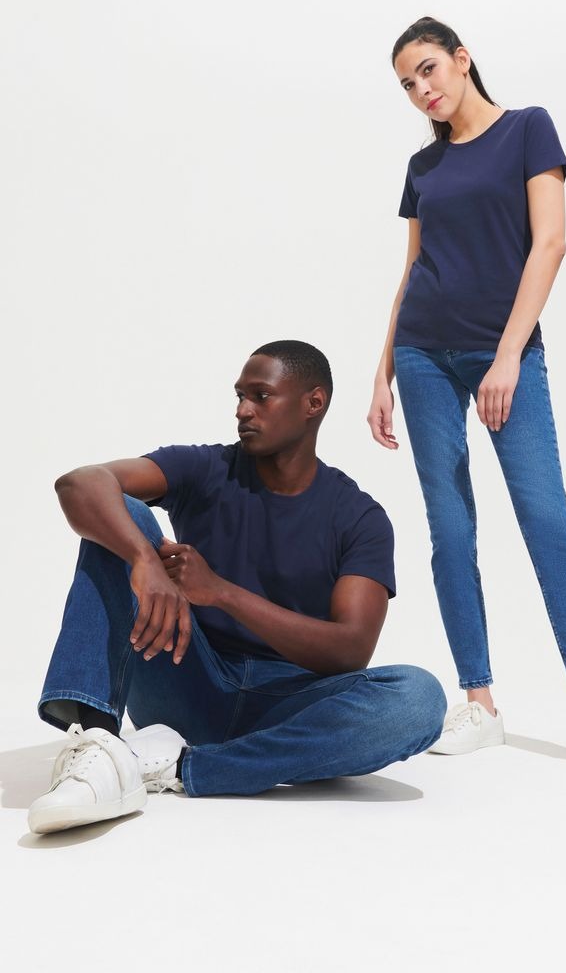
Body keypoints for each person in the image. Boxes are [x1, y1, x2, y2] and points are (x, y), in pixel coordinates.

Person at [367, 17, 566, 765]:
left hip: (504, 352)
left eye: (429, 69)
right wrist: (382, 370)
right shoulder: (422, 166)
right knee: (450, 530)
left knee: (544, 518)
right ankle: (478, 704)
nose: (422, 90)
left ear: (462, 59)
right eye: (407, 84)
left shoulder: (528, 129)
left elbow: (551, 243)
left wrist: (506, 356)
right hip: (421, 354)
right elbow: (412, 269)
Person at [29, 340, 445, 834]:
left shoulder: (359, 517)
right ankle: (98, 751)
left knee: (419, 698)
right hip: (185, 679)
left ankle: (184, 767)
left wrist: (220, 592)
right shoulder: (205, 469)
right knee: (124, 516)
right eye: (240, 396)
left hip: (290, 707)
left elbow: (350, 650)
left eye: (261, 396)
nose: (243, 410)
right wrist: (144, 559)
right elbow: (80, 482)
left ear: (314, 403)